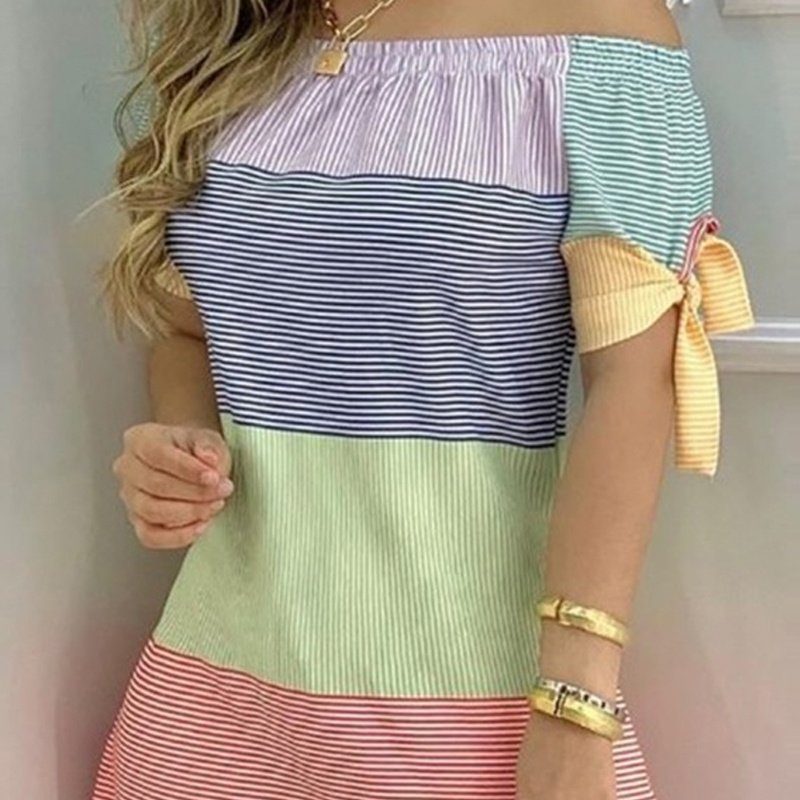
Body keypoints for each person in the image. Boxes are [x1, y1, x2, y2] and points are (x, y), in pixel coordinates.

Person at [93, 1, 754, 798]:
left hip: (470, 709)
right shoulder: (240, 34)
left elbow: (634, 383)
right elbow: (186, 332)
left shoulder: (602, 32)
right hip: (212, 699)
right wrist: (181, 443)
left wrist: (576, 708)